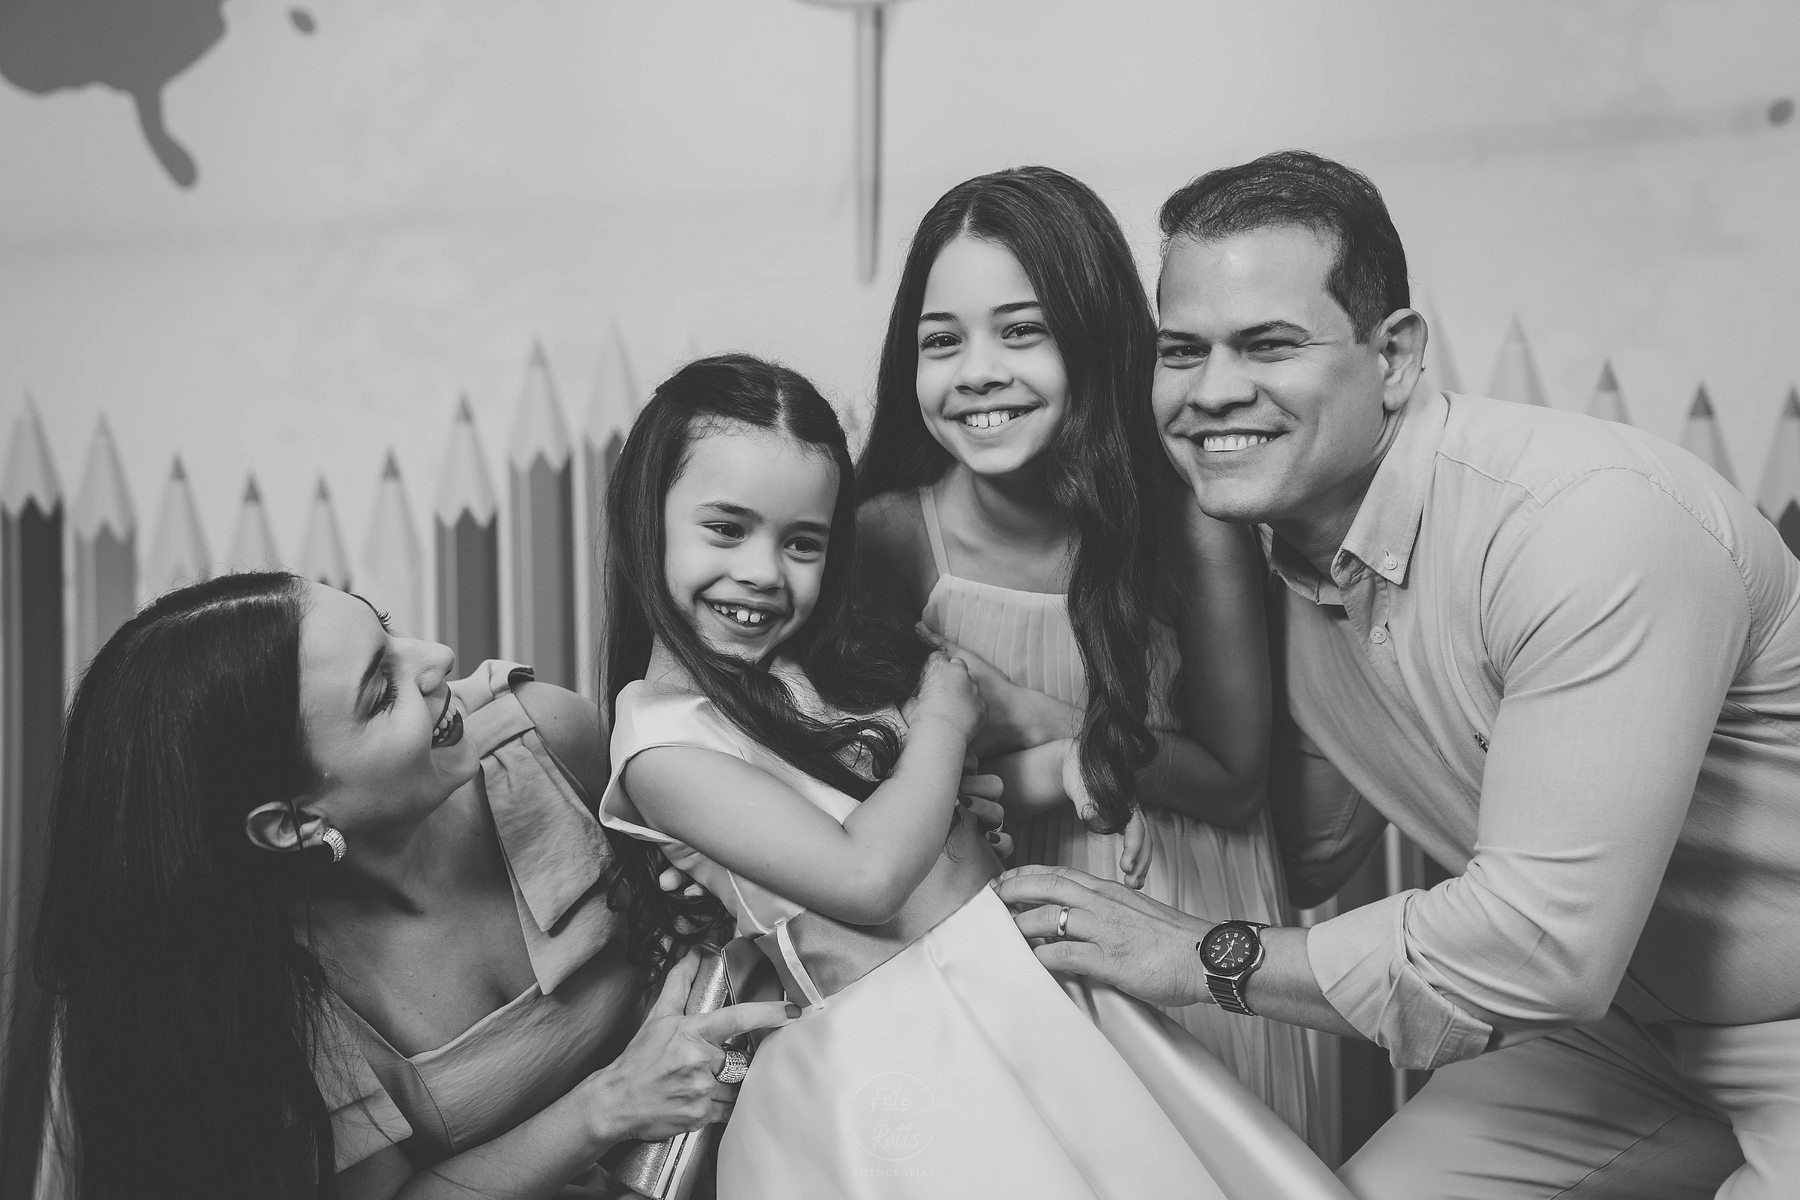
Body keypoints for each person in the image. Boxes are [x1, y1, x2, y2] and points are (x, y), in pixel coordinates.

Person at [996, 149, 1800, 1199]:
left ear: (1395, 357)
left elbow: (1540, 949)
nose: (1212, 391)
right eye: (1182, 351)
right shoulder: (1275, 555)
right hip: (1612, 1038)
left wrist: (1200, 954)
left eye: (1269, 344)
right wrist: (1034, 748)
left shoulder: (1584, 524)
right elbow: (1307, 854)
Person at [596, 353, 1349, 1199]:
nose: (764, 573)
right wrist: (945, 721)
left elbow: (936, 818)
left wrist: (1071, 768)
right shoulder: (661, 747)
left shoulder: (795, 679)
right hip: (896, 1044)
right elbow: (867, 876)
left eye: (802, 542)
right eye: (727, 529)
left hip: (1017, 989)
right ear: (646, 519)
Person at [19, 570, 797, 1200]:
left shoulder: (547, 742)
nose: (436, 658)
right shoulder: (265, 1001)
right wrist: (611, 1104)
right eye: (380, 692)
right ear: (292, 824)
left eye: (386, 629)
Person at [855, 164, 1319, 1145]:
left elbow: (1236, 781)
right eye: (942, 341)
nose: (977, 371)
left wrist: (1045, 718)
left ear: (1097, 338)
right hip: (979, 934)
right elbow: (862, 782)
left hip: (1175, 916)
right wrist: (1058, 758)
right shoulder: (884, 537)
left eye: (1020, 331)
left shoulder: (1190, 522)